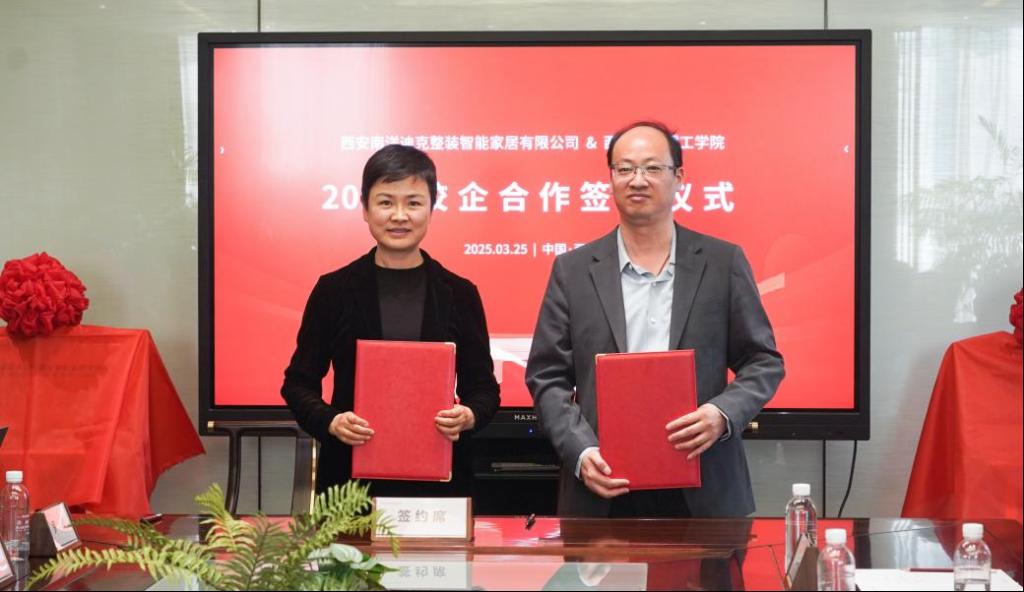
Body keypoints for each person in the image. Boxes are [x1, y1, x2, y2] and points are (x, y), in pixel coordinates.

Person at [526, 121, 784, 517]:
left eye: (652, 168)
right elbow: (547, 376)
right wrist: (580, 451)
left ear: (679, 177)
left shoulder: (722, 262)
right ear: (610, 178)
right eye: (625, 168)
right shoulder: (573, 270)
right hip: (602, 485)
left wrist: (722, 414)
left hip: (705, 485)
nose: (637, 180)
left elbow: (763, 361)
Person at [282, 144, 500, 498]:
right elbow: (298, 384)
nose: (399, 215)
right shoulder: (334, 290)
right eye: (386, 202)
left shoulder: (460, 293)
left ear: (432, 208)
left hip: (439, 486)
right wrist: (331, 421)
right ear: (365, 209)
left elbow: (484, 389)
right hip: (349, 489)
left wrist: (470, 415)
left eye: (413, 203)